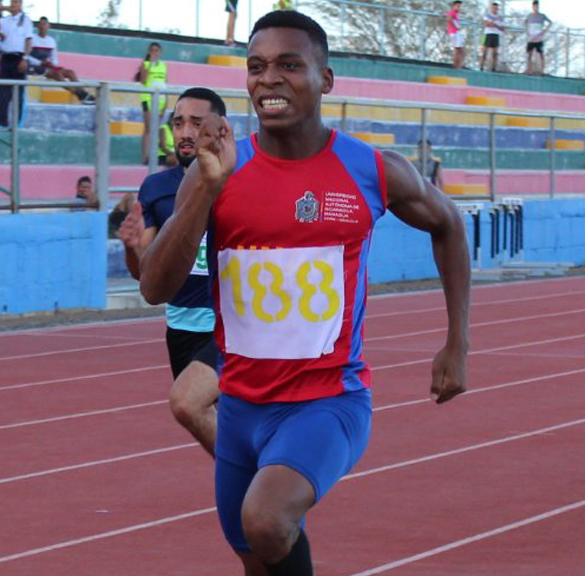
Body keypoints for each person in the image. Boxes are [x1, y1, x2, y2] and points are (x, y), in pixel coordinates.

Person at [138, 12, 471, 574]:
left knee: (266, 520)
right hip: (241, 407)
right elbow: (153, 287)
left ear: (326, 78)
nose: (269, 79)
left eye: (289, 65)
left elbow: (450, 224)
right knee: (258, 555)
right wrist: (205, 192)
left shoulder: (371, 169)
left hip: (327, 402)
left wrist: (456, 342)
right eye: (257, 67)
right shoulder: (217, 170)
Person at [119, 88, 229, 456]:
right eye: (179, 123)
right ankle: (254, 492)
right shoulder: (156, 188)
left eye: (196, 124)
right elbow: (144, 275)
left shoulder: (238, 181)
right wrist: (131, 247)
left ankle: (258, 492)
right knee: (205, 420)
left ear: (219, 129)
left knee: (192, 405)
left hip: (228, 326)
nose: (185, 132)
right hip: (181, 327)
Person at [27, 16, 96, 104]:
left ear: (49, 26)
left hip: (48, 66)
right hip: (35, 67)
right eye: (40, 24)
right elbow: (27, 56)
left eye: (45, 24)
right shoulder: (32, 38)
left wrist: (53, 64)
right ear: (37, 27)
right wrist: (40, 63)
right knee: (57, 74)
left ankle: (83, 93)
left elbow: (54, 58)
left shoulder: (51, 41)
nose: (43, 26)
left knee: (70, 72)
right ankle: (78, 94)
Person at [0, 0, 32, 131]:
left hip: (18, 58)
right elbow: (2, 38)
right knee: (2, 92)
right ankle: (2, 122)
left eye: (16, 2)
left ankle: (16, 124)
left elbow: (28, 40)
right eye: (12, 2)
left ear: (20, 4)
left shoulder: (26, 20)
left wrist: (25, 58)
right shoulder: (4, 21)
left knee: (18, 93)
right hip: (5, 57)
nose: (13, 4)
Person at [138, 42, 168, 164]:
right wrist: (150, 64)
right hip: (148, 98)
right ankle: (145, 156)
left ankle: (154, 155)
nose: (154, 53)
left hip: (160, 98)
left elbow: (165, 83)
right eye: (152, 50)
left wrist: (166, 102)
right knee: (149, 127)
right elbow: (143, 80)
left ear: (160, 52)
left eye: (157, 50)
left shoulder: (164, 65)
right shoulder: (145, 64)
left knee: (157, 127)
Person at [525, 0, 551, 75]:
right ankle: (529, 70)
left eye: (536, 6)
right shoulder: (529, 16)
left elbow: (550, 22)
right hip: (531, 38)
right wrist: (528, 33)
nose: (535, 8)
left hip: (539, 38)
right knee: (529, 54)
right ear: (532, 7)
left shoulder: (542, 16)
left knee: (541, 54)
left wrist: (544, 31)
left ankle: (542, 70)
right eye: (534, 6)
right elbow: (526, 23)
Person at [480, 1, 503, 72]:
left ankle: (493, 67)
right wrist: (492, 22)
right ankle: (481, 66)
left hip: (495, 35)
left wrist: (495, 25)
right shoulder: (487, 15)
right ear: (491, 8)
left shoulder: (500, 17)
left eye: (496, 8)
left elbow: (502, 28)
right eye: (493, 8)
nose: (494, 9)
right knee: (484, 52)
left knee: (495, 53)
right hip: (487, 34)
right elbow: (484, 23)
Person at [447, 0, 465, 69]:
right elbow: (449, 19)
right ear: (453, 6)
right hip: (454, 33)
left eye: (460, 6)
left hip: (457, 32)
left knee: (460, 50)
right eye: (458, 6)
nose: (459, 8)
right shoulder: (452, 12)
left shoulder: (456, 14)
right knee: (457, 50)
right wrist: (455, 25)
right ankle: (456, 66)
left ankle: (458, 65)